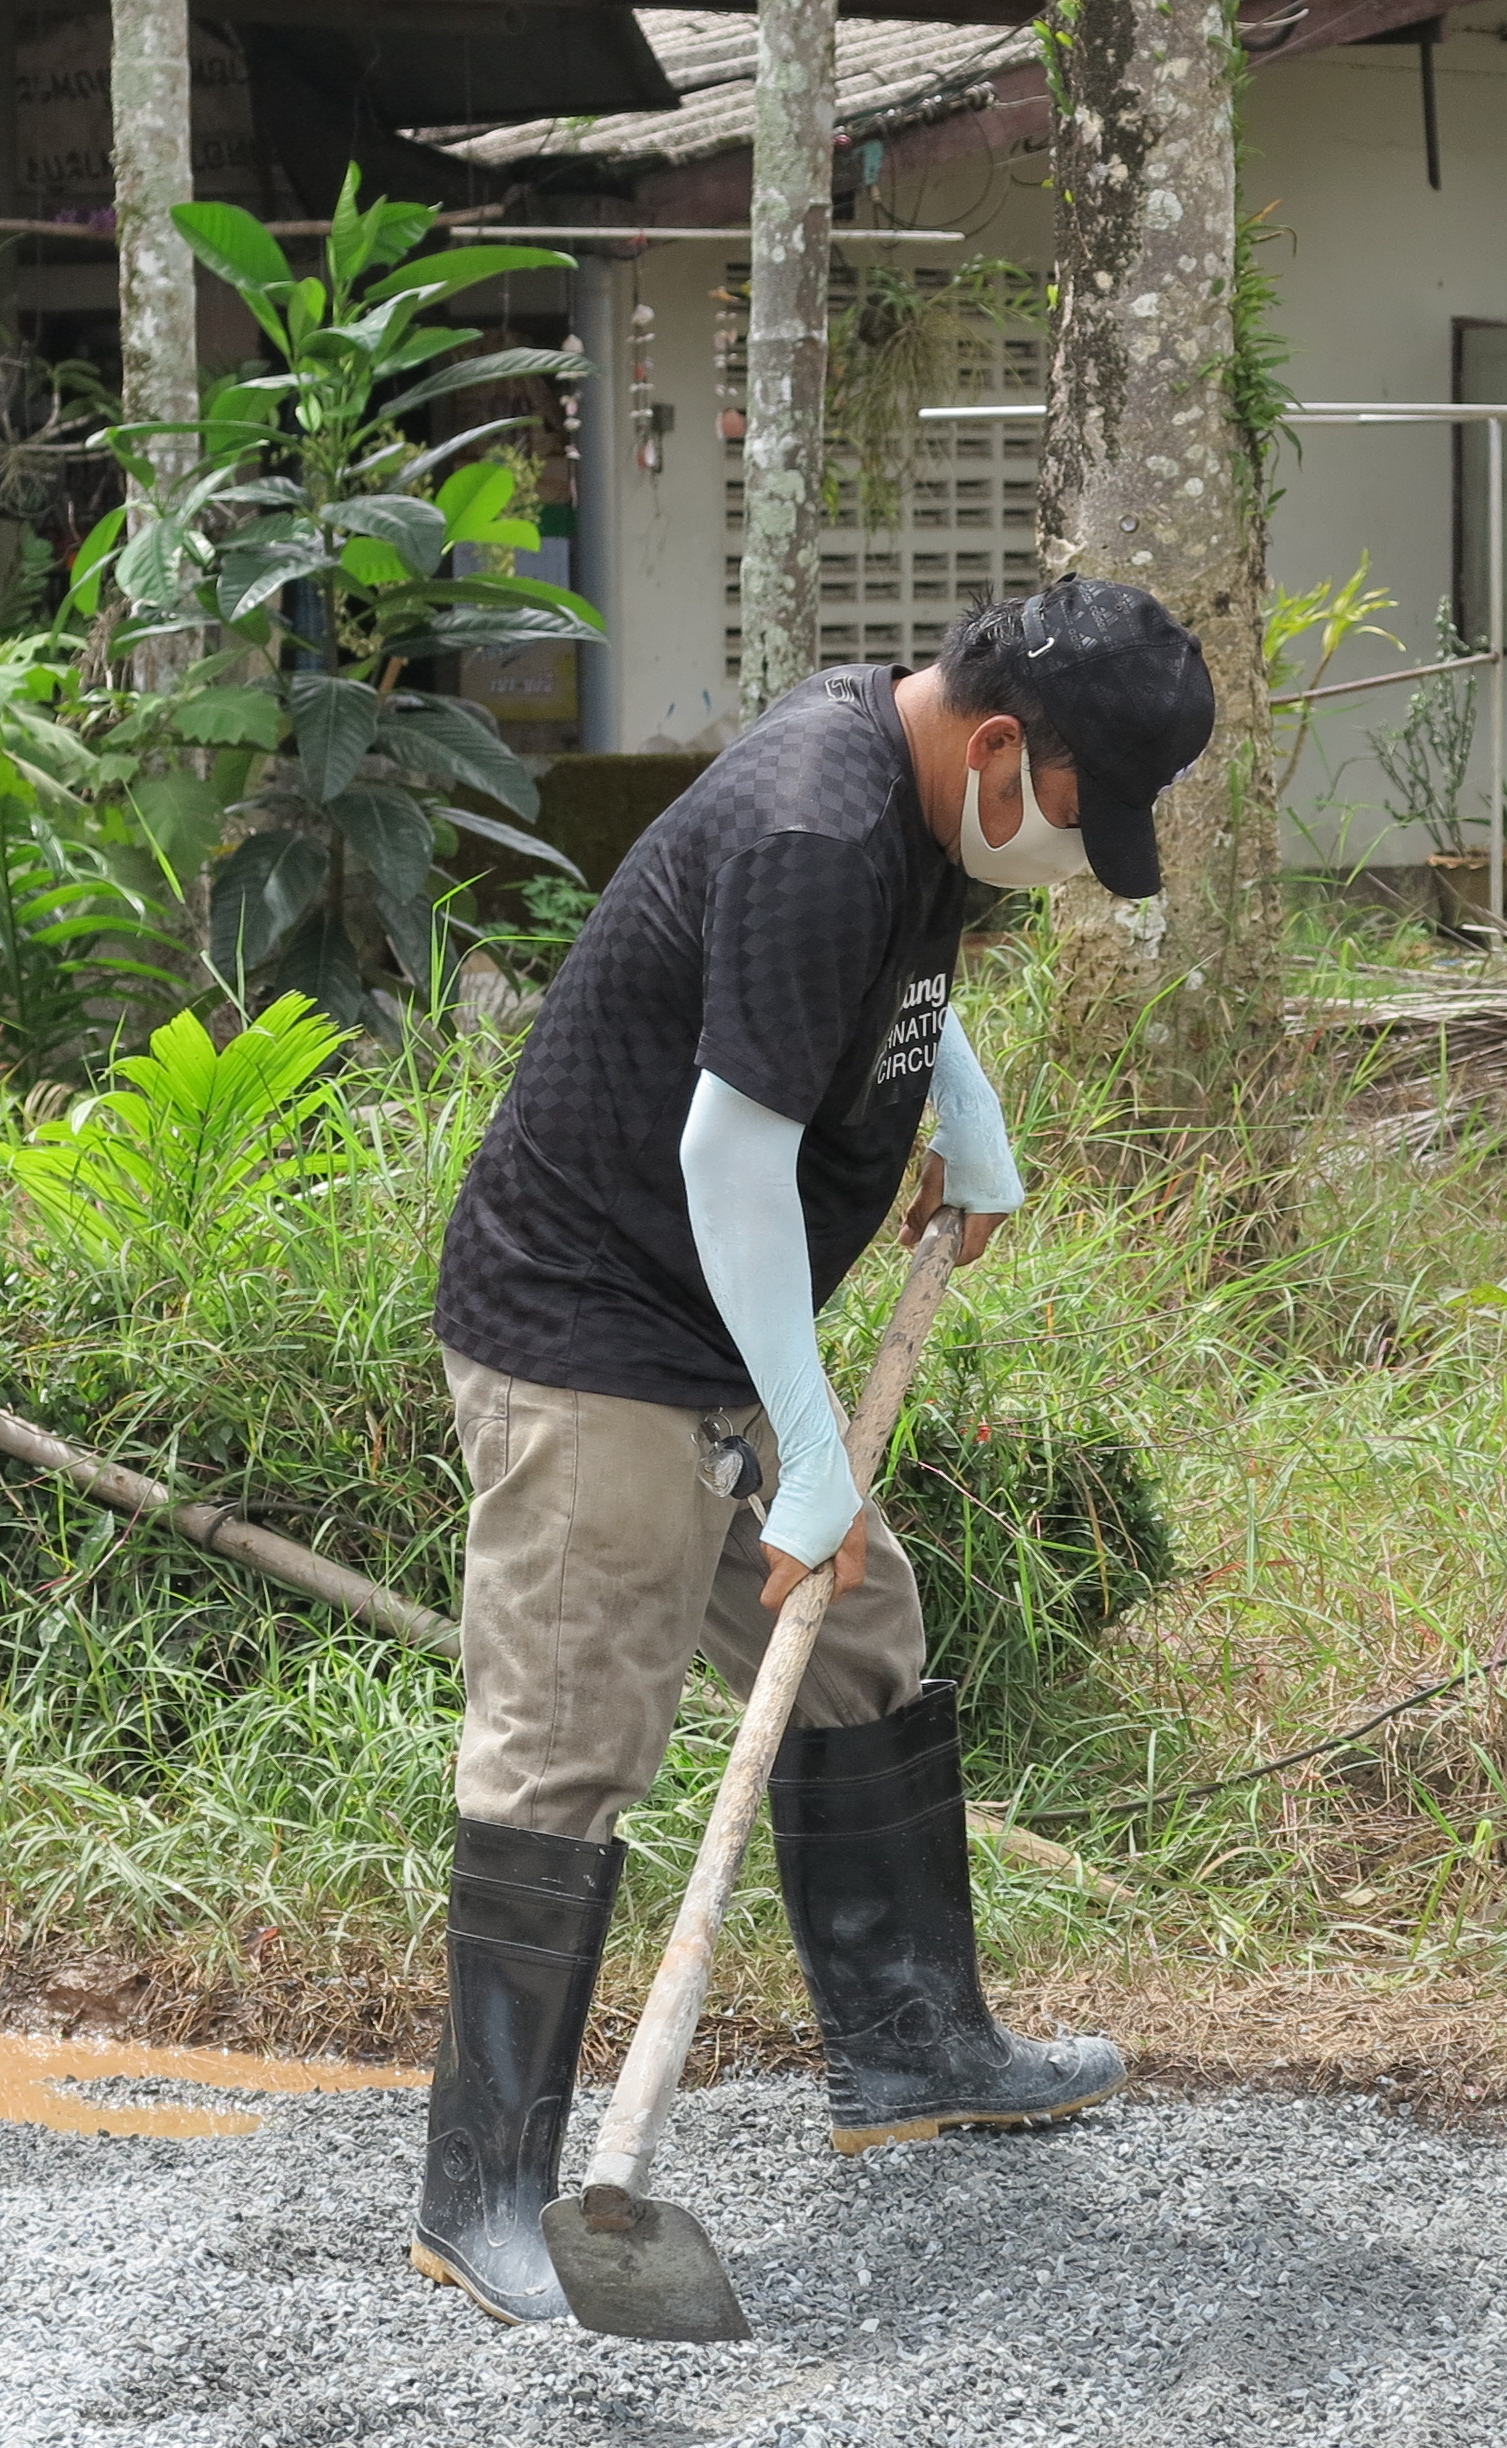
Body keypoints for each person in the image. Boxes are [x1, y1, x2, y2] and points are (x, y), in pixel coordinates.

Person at [411, 578, 1214, 2321]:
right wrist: (807, 1443)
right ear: (1006, 748)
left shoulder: (918, 793)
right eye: (1090, 819)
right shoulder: (813, 824)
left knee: (857, 1641)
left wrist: (974, 1130)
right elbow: (727, 1158)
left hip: (701, 1320)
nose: (1084, 861)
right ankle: (484, 2194)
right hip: (594, 1333)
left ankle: (913, 2047)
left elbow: (897, 996)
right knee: (569, 1739)